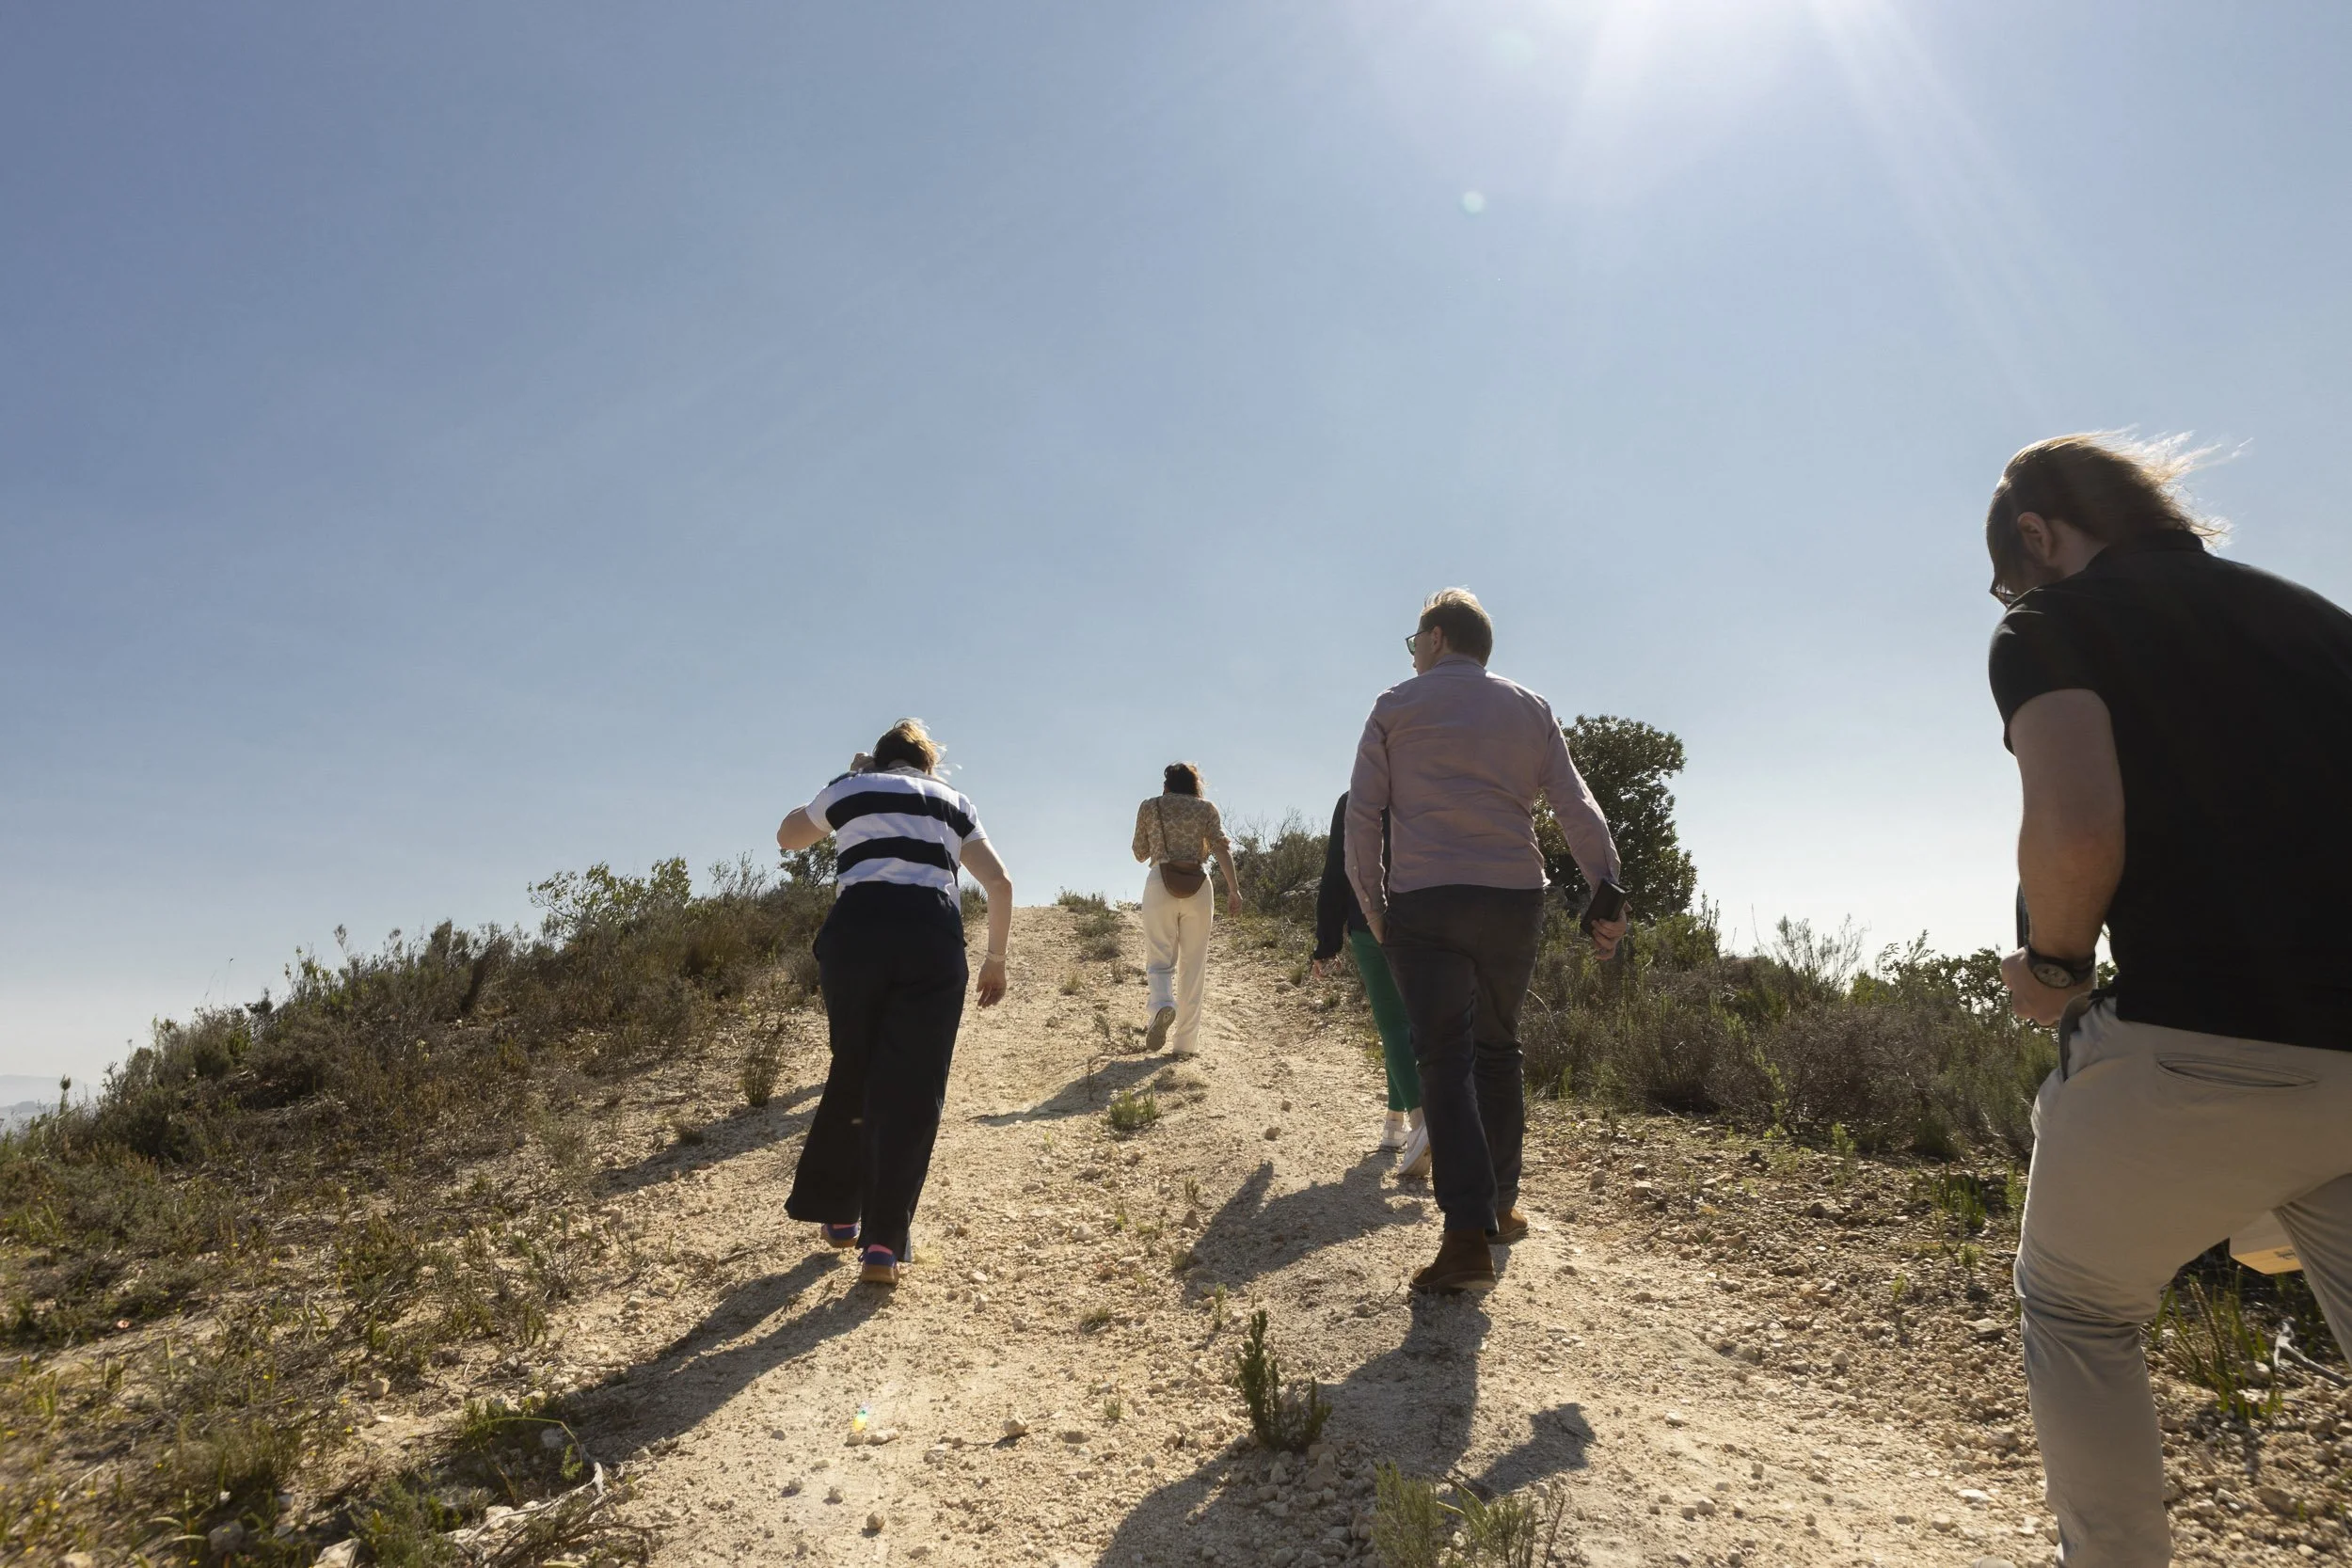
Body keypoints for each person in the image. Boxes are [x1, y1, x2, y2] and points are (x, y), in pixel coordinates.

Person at [1984, 434, 2352, 1567]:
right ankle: (2263, 1211)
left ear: (2039, 533)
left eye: (2011, 571)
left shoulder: (2052, 624)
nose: (2013, 594)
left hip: (2194, 1039)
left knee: (2080, 1308)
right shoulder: (2318, 621)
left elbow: (2081, 821)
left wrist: (2052, 967)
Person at [1347, 588, 1627, 1295]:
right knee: (1499, 1045)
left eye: (1414, 638)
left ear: (1437, 637)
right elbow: (1576, 805)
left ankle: (1466, 1238)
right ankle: (1501, 1203)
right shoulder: (1529, 707)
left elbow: (1363, 819)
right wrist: (1607, 891)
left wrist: (1377, 913)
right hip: (1512, 901)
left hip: (1427, 900)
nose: (1410, 651)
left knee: (1445, 1057)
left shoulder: (1393, 706)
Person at [774, 719, 1013, 1287]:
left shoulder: (853, 787)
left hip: (858, 931)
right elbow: (999, 883)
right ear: (927, 764)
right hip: (931, 938)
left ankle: (839, 1212)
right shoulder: (953, 801)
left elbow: (787, 837)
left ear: (877, 760)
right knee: (913, 1087)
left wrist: (850, 777)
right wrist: (995, 959)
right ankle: (883, 1243)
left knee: (853, 1067)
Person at [1311, 791, 1428, 1176]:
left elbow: (1336, 872)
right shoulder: (1427, 788)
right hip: (1427, 921)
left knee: (1392, 1023)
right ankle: (1394, 1125)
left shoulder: (1354, 799)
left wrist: (1327, 942)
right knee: (1408, 1023)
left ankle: (1421, 1122)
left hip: (1370, 921)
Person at [1131, 762, 1242, 1059]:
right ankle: (1185, 1046)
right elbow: (1221, 848)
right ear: (1194, 785)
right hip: (1199, 885)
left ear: (1166, 786)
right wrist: (1233, 889)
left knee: (1159, 960)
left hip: (1160, 881)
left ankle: (1163, 1004)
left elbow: (1140, 852)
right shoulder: (1206, 809)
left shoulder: (1151, 806)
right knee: (1194, 967)